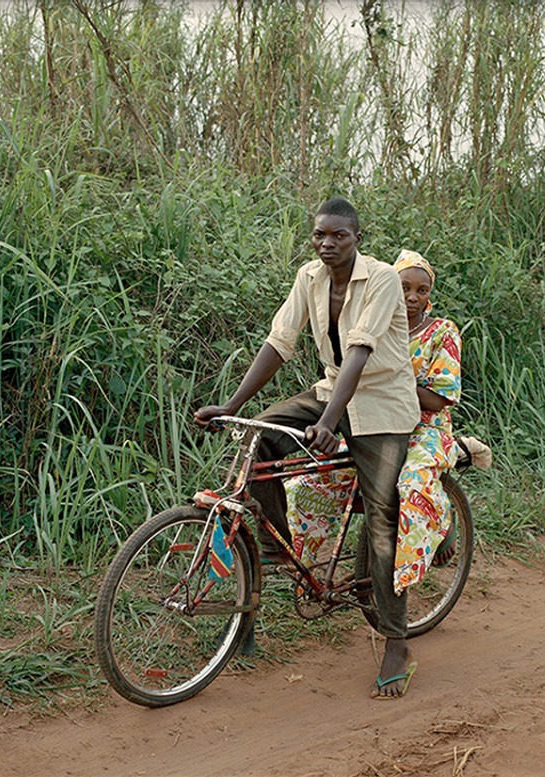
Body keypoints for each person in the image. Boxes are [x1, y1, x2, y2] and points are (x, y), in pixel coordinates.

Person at [194, 197, 420, 700]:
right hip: (332, 388)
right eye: (320, 235)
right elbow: (280, 343)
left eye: (337, 235)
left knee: (382, 518)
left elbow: (361, 350)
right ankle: (279, 546)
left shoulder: (382, 279)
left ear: (357, 237)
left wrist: (327, 423)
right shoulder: (309, 278)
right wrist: (228, 404)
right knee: (259, 436)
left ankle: (395, 640)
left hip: (381, 404)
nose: (326, 243)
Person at [286, 249, 462, 595]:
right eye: (404, 288)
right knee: (310, 482)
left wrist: (392, 383)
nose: (411, 297)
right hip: (371, 414)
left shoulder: (442, 332)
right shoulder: (374, 319)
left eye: (421, 290)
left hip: (425, 427)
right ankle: (308, 571)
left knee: (412, 486)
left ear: (429, 295)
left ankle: (438, 528)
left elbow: (440, 397)